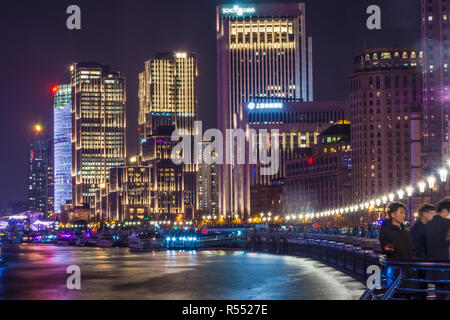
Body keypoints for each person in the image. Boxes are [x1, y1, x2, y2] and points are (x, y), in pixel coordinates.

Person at [424, 197, 450, 300]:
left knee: (439, 295)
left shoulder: (428, 225)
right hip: (446, 268)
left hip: (433, 269)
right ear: (444, 211)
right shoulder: (447, 224)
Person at [410, 203, 436, 300]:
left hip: (423, 264)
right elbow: (417, 247)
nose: (433, 216)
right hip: (420, 264)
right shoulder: (417, 228)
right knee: (420, 290)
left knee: (423, 290)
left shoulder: (424, 226)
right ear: (424, 214)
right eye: (431, 213)